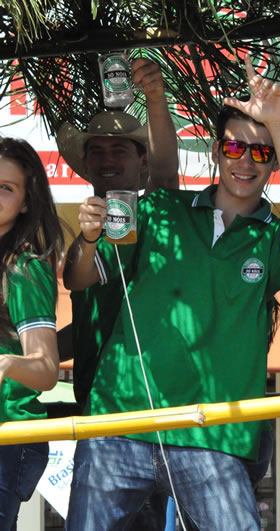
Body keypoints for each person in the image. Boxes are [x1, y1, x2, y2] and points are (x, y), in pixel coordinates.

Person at [63, 56, 280, 530]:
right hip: (120, 422)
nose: (245, 161)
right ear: (217, 151)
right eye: (234, 148)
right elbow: (77, 279)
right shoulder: (162, 207)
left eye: (261, 153)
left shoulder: (271, 236)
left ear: (274, 162)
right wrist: (90, 238)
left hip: (211, 435)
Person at [58, 58, 179, 411]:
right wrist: (26, 352)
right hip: (96, 403)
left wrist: (156, 98)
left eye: (119, 150)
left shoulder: (156, 214)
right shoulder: (87, 231)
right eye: (96, 151)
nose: (106, 159)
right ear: (86, 163)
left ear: (143, 160)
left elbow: (165, 176)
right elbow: (85, 319)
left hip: (156, 400)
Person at [0, 138, 64, 530]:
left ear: (26, 202)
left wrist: (6, 364)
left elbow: (46, 370)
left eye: (5, 187)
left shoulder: (24, 268)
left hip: (8, 437)